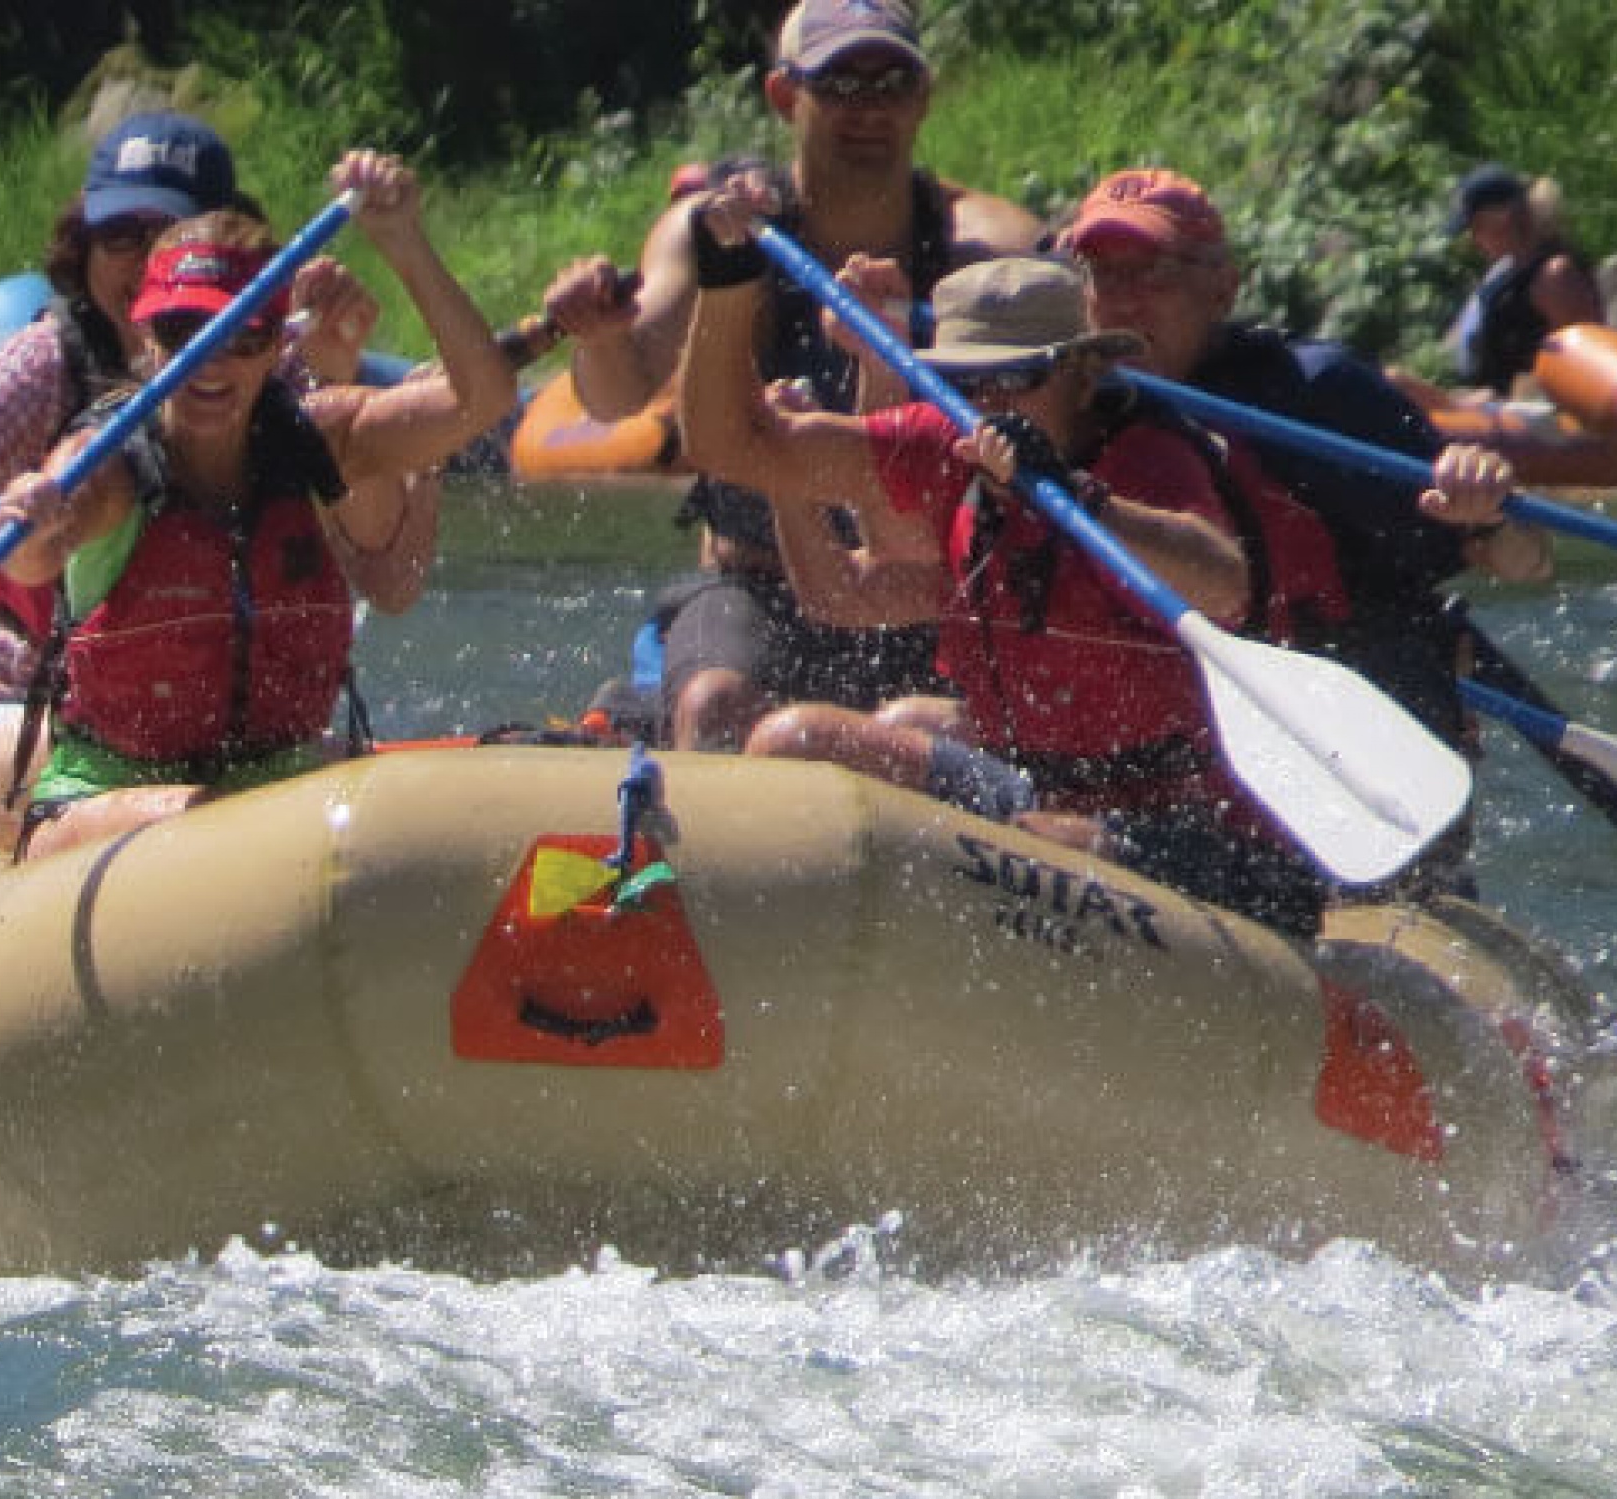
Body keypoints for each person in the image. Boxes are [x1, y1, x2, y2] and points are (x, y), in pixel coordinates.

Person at [676, 198, 1349, 934]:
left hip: (1203, 833)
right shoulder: (949, 441)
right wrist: (726, 277)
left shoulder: (1149, 460)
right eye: (970, 383)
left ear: (1083, 374)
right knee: (791, 740)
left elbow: (1222, 580)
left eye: (1017, 378)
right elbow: (734, 445)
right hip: (1031, 789)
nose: (991, 405)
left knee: (1036, 843)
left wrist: (1074, 495)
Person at [0, 111, 442, 857]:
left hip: (194, 732)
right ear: (84, 245)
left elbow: (387, 579)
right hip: (9, 711)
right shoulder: (46, 364)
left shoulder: (272, 373)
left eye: (166, 235)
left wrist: (337, 371)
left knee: (287, 783)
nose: (140, 262)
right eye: (118, 236)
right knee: (197, 784)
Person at [536, 0, 1042, 750]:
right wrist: (600, 340)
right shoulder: (715, 231)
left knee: (951, 725)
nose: (869, 108)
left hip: (924, 596)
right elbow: (619, 393)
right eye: (840, 84)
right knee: (718, 703)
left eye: (891, 83)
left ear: (923, 97)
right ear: (784, 96)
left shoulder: (991, 248)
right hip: (756, 586)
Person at [0, 153, 515, 863]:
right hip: (110, 798)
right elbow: (31, 561)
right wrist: (32, 519)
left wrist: (402, 241)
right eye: (183, 332)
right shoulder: (107, 466)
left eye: (243, 338)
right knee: (222, 820)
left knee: (402, 813)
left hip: (276, 783)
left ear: (276, 346)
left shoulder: (323, 437)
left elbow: (483, 399)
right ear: (145, 338)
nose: (211, 363)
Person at [1054, 167, 1547, 892]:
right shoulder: (1058, 400)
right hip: (1172, 769)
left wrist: (1490, 511)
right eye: (1102, 273)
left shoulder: (1315, 396)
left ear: (1223, 288)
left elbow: (1523, 561)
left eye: (1153, 273)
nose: (1122, 300)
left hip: (1355, 775)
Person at [1412, 163, 1603, 401]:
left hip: (1543, 413)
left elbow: (1589, 365)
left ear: (1503, 218)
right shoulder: (1503, 273)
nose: (1473, 239)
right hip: (1497, 406)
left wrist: (1510, 397)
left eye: (1477, 227)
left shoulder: (1555, 276)